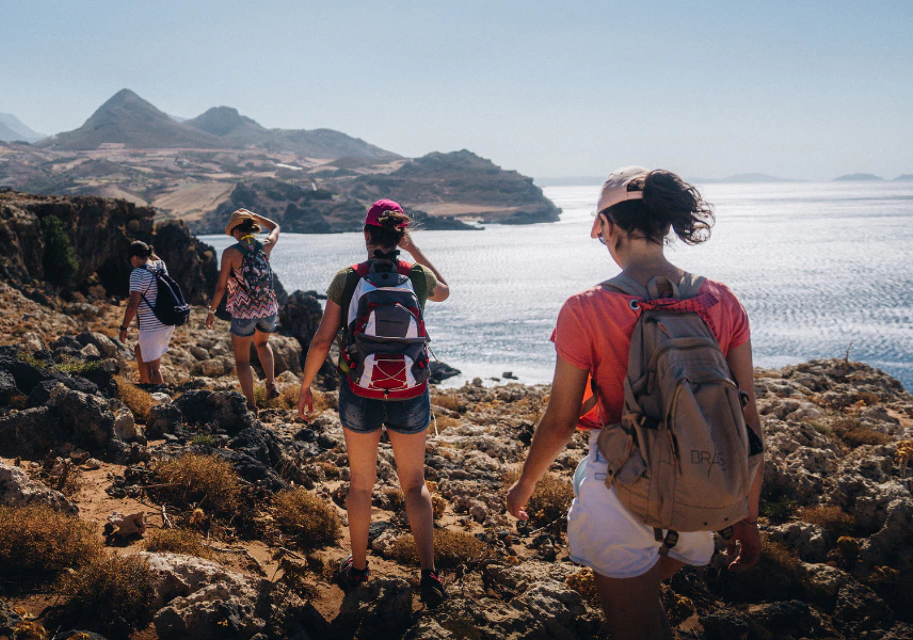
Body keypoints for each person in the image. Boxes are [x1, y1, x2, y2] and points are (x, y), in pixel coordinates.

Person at [505, 167, 764, 640]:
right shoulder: (722, 301)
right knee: (643, 613)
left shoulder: (585, 308)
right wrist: (747, 515)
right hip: (701, 486)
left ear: (607, 224)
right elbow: (748, 420)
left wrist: (524, 485)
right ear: (665, 223)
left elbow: (561, 420)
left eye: (596, 222)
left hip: (622, 487)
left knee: (635, 626)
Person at [297, 199, 451, 607]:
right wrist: (414, 251)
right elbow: (446, 292)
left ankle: (360, 567)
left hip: (359, 393)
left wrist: (306, 386)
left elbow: (322, 339)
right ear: (400, 235)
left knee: (361, 485)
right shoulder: (415, 276)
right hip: (410, 393)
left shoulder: (347, 279)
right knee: (414, 487)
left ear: (366, 235)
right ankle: (429, 573)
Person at [206, 208, 282, 412]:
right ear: (252, 227)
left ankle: (251, 404)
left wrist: (212, 312)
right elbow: (275, 227)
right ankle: (271, 384)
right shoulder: (266, 245)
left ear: (236, 231)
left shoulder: (231, 253)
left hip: (243, 311)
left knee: (242, 360)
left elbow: (221, 287)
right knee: (263, 344)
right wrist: (256, 215)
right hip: (267, 308)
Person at [120, 241, 175, 385]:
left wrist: (124, 327)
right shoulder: (160, 267)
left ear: (134, 257)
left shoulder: (138, 273)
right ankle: (145, 384)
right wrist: (148, 251)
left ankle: (159, 398)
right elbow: (157, 258)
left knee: (154, 368)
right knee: (139, 349)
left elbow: (133, 304)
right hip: (167, 322)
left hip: (152, 326)